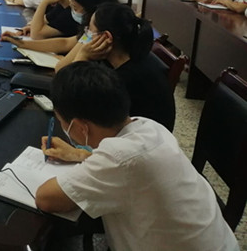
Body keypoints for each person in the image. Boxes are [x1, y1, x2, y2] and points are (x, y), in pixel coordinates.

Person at [36, 62, 238, 251]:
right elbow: (127, 166)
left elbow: (46, 198)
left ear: (81, 127)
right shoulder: (147, 126)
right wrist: (80, 154)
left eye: (61, 121)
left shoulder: (118, 159)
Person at [56, 1, 175, 130]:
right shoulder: (131, 56)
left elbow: (69, 101)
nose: (87, 36)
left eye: (89, 30)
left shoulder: (126, 77)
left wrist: (82, 56)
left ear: (106, 37)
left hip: (138, 139)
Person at [1, 0, 116, 56]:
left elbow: (39, 35)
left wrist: (44, 2)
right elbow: (66, 43)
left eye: (75, 7)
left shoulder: (99, 34)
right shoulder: (90, 29)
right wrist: (21, 43)